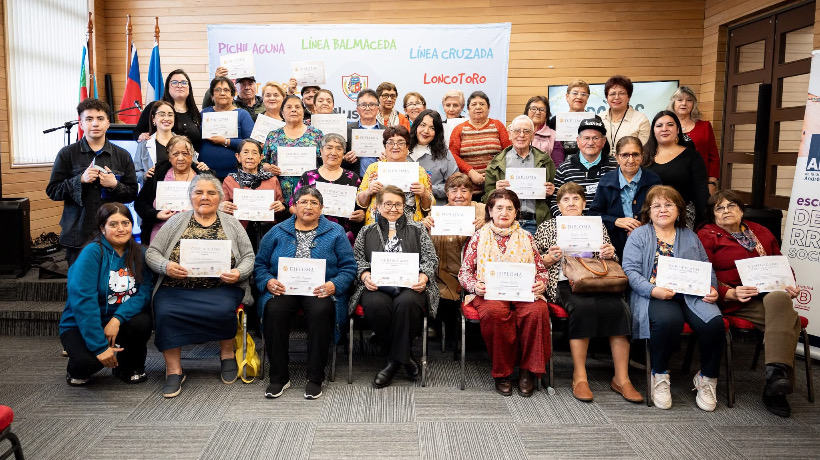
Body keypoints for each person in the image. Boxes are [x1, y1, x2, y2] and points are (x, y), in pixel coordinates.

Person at [146, 175, 256, 398]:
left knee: (224, 309)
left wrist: (238, 273)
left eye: (211, 193)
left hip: (221, 287)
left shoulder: (232, 223)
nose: (205, 197)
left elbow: (248, 257)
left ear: (220, 197)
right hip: (175, 287)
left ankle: (226, 354)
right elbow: (152, 252)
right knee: (166, 312)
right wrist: (166, 266)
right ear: (190, 197)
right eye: (199, 192)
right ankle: (174, 370)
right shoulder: (176, 221)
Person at [697, 189, 802, 417]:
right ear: (713, 215)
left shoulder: (760, 231)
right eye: (719, 208)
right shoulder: (706, 235)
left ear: (741, 210)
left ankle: (775, 378)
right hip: (735, 301)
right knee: (789, 321)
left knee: (780, 298)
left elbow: (780, 263)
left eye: (731, 206)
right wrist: (729, 293)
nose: (726, 211)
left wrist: (789, 283)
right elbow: (701, 275)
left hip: (768, 296)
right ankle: (776, 390)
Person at [535, 183, 641, 404]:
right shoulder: (547, 226)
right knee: (582, 308)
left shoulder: (596, 225)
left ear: (584, 204)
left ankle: (622, 378)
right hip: (564, 281)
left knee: (619, 308)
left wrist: (610, 253)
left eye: (576, 199)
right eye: (565, 200)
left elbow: (612, 258)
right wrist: (549, 258)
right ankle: (580, 376)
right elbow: (535, 262)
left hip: (597, 279)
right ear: (558, 206)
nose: (571, 203)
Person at [621, 186, 723, 411]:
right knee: (668, 321)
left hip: (692, 294)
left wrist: (712, 288)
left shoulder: (690, 236)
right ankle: (659, 374)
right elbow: (630, 271)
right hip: (655, 295)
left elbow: (706, 267)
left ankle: (707, 377)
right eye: (657, 205)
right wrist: (652, 290)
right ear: (649, 211)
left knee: (714, 323)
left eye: (669, 205)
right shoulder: (639, 235)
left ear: (679, 210)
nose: (663, 210)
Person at [254, 186, 357, 399]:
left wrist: (334, 285)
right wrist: (268, 281)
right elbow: (260, 264)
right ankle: (279, 377)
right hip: (284, 289)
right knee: (274, 310)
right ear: (294, 206)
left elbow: (349, 267)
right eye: (303, 202)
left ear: (322, 208)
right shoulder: (277, 231)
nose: (308, 207)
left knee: (321, 311)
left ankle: (315, 377)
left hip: (320, 290)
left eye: (314, 203)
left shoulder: (336, 231)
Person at [458, 188, 551, 397]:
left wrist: (541, 283)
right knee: (495, 313)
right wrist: (474, 286)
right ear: (490, 211)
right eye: (499, 208)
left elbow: (541, 270)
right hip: (489, 293)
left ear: (516, 212)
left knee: (537, 311)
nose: (504, 212)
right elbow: (464, 272)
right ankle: (502, 372)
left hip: (523, 292)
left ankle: (527, 371)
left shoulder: (527, 237)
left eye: (510, 208)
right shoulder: (478, 236)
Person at [350, 185, 439, 388]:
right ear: (378, 206)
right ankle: (405, 358)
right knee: (375, 305)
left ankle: (392, 363)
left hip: (411, 285)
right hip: (376, 285)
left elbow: (431, 259)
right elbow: (357, 261)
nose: (393, 208)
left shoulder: (417, 229)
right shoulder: (366, 231)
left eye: (398, 204)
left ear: (404, 206)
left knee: (407, 303)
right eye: (388, 204)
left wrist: (424, 277)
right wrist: (365, 276)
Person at [59, 203, 153, 386]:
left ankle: (127, 367)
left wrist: (117, 319)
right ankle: (75, 365)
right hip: (82, 322)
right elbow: (84, 302)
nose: (121, 229)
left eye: (125, 223)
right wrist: (99, 347)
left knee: (142, 321)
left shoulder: (140, 252)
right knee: (87, 363)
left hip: (119, 320)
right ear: (102, 228)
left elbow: (144, 292)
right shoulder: (92, 253)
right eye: (113, 224)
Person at [47, 98, 139, 267]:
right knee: (80, 280)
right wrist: (80, 180)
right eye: (89, 119)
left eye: (100, 118)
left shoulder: (123, 156)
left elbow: (132, 193)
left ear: (108, 123)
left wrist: (115, 185)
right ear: (81, 124)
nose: (95, 123)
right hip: (78, 234)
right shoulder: (67, 154)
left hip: (113, 234)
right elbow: (53, 191)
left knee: (114, 280)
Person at [421, 173, 485, 347]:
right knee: (440, 295)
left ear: (472, 193)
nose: (459, 195)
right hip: (446, 274)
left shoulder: (483, 210)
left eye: (464, 190)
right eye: (453, 190)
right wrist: (425, 227)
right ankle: (451, 337)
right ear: (447, 194)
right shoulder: (438, 214)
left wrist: (487, 223)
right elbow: (427, 249)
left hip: (477, 275)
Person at [589, 136, 662, 261]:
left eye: (635, 154)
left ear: (642, 156)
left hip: (647, 244)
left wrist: (643, 228)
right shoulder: (606, 181)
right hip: (613, 248)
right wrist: (616, 221)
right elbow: (593, 214)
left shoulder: (653, 180)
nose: (631, 160)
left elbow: (661, 213)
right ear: (617, 157)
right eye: (625, 155)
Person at [483, 115, 556, 234]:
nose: (521, 135)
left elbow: (557, 195)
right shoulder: (496, 163)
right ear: (510, 134)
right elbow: (486, 199)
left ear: (533, 135)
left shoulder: (545, 161)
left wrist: (552, 191)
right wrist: (495, 191)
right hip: (506, 223)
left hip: (537, 222)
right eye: (517, 131)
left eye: (526, 131)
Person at [135, 135, 211, 245]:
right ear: (169, 157)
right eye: (175, 154)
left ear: (192, 155)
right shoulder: (158, 174)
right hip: (161, 232)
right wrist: (156, 215)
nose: (180, 158)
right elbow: (140, 203)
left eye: (185, 153)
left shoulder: (203, 176)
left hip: (196, 234)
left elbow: (213, 204)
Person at [291, 133, 364, 243]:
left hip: (344, 238)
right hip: (311, 235)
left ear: (343, 153)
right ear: (321, 151)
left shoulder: (353, 177)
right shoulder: (308, 176)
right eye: (329, 148)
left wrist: (361, 215)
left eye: (339, 149)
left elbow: (361, 207)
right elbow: (292, 206)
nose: (333, 153)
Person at [644, 110, 710, 229]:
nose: (664, 129)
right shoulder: (643, 156)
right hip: (648, 217)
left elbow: (701, 192)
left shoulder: (692, 156)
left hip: (683, 217)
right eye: (659, 125)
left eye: (670, 125)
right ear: (653, 131)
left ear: (678, 129)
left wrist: (704, 223)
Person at [356, 126, 434, 226]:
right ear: (385, 146)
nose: (395, 146)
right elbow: (361, 203)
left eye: (401, 143)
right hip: (377, 227)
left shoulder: (419, 171)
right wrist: (368, 191)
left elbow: (428, 207)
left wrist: (424, 193)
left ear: (407, 147)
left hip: (412, 228)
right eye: (390, 142)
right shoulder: (373, 168)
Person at [261, 95, 324, 205]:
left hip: (310, 193)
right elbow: (262, 163)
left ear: (303, 111)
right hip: (279, 194)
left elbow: (324, 163)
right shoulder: (273, 135)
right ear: (282, 112)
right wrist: (269, 168)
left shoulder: (316, 134)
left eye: (297, 107)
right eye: (289, 107)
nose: (293, 110)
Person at [550, 118, 617, 217]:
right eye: (586, 138)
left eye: (595, 138)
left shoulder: (615, 166)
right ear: (578, 141)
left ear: (603, 141)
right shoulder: (564, 169)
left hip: (606, 223)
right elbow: (554, 202)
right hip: (572, 224)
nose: (590, 143)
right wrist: (568, 222)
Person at [449, 91, 512, 193]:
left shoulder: (498, 125)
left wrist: (491, 175)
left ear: (489, 108)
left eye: (482, 104)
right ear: (468, 109)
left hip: (496, 186)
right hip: (467, 189)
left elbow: (508, 152)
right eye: (474, 104)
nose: (478, 107)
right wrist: (471, 172)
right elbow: (453, 155)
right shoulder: (459, 129)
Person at [221, 139, 287, 234]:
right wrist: (222, 207)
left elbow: (281, 211)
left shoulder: (272, 179)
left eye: (255, 153)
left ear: (261, 158)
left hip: (267, 232)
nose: (250, 157)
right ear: (238, 157)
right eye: (245, 152)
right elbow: (222, 211)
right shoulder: (230, 180)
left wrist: (281, 207)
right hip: (239, 231)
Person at [668, 86, 720, 194]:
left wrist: (712, 183)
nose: (684, 103)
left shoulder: (705, 126)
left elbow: (714, 157)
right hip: (671, 183)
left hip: (700, 182)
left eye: (689, 100)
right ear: (673, 103)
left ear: (693, 104)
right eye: (680, 100)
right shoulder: (665, 127)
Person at [199, 76, 254, 179]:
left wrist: (226, 141)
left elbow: (251, 143)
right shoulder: (204, 113)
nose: (222, 93)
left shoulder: (242, 114)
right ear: (212, 95)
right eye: (218, 90)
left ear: (233, 95)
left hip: (235, 175)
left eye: (226, 90)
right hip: (206, 174)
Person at [133, 69, 202, 150]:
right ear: (167, 88)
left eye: (184, 83)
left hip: (190, 156)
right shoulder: (155, 107)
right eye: (174, 82)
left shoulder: (195, 113)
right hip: (160, 156)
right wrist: (140, 136)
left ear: (189, 88)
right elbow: (137, 131)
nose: (180, 86)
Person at [408, 109, 458, 202]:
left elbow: (455, 186)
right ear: (416, 126)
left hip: (434, 208)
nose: (426, 131)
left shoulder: (444, 154)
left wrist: (429, 189)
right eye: (423, 125)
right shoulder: (402, 149)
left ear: (437, 132)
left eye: (432, 128)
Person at [547, 79, 601, 159]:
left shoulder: (595, 119)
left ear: (587, 98)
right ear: (567, 97)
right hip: (562, 164)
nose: (579, 97)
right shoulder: (556, 120)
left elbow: (604, 146)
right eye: (575, 93)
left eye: (583, 94)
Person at [343, 88, 385, 177]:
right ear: (357, 109)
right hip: (354, 179)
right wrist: (345, 159)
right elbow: (339, 158)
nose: (367, 108)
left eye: (372, 105)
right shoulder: (346, 130)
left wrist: (388, 159)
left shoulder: (386, 132)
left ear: (378, 108)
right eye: (363, 105)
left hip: (380, 179)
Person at [600, 75, 651, 147]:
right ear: (607, 97)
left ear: (629, 97)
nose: (617, 97)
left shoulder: (641, 120)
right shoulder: (599, 119)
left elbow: (644, 149)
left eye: (621, 93)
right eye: (612, 94)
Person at [134, 100, 175, 187]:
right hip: (151, 191)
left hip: (178, 191)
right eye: (162, 114)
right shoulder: (144, 144)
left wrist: (201, 166)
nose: (166, 118)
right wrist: (144, 175)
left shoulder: (184, 142)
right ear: (153, 118)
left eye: (170, 115)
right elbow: (135, 172)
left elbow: (193, 167)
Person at [524, 96, 565, 166]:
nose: (537, 112)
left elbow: (557, 164)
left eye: (542, 109)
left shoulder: (554, 136)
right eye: (533, 109)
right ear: (527, 112)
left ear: (546, 115)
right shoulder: (516, 131)